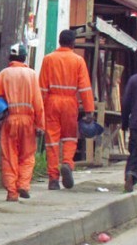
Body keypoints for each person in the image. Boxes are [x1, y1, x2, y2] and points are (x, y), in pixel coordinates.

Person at [0, 42, 45, 202]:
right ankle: (24, 185)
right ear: (24, 57)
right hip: (28, 121)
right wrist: (40, 125)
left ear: (10, 58)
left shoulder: (4, 74)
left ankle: (12, 192)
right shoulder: (32, 75)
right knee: (27, 155)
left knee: (9, 155)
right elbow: (38, 103)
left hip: (10, 120)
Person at [38, 29, 95, 190]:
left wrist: (39, 110)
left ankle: (53, 179)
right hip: (70, 102)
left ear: (59, 41)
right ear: (73, 43)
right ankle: (68, 164)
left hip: (52, 102)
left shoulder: (48, 59)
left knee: (52, 141)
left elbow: (42, 86)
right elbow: (84, 87)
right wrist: (89, 110)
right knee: (70, 137)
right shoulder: (78, 60)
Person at [120, 53, 137, 192]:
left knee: (136, 152)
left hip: (136, 123)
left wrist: (124, 122)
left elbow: (126, 103)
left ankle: (131, 174)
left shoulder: (134, 80)